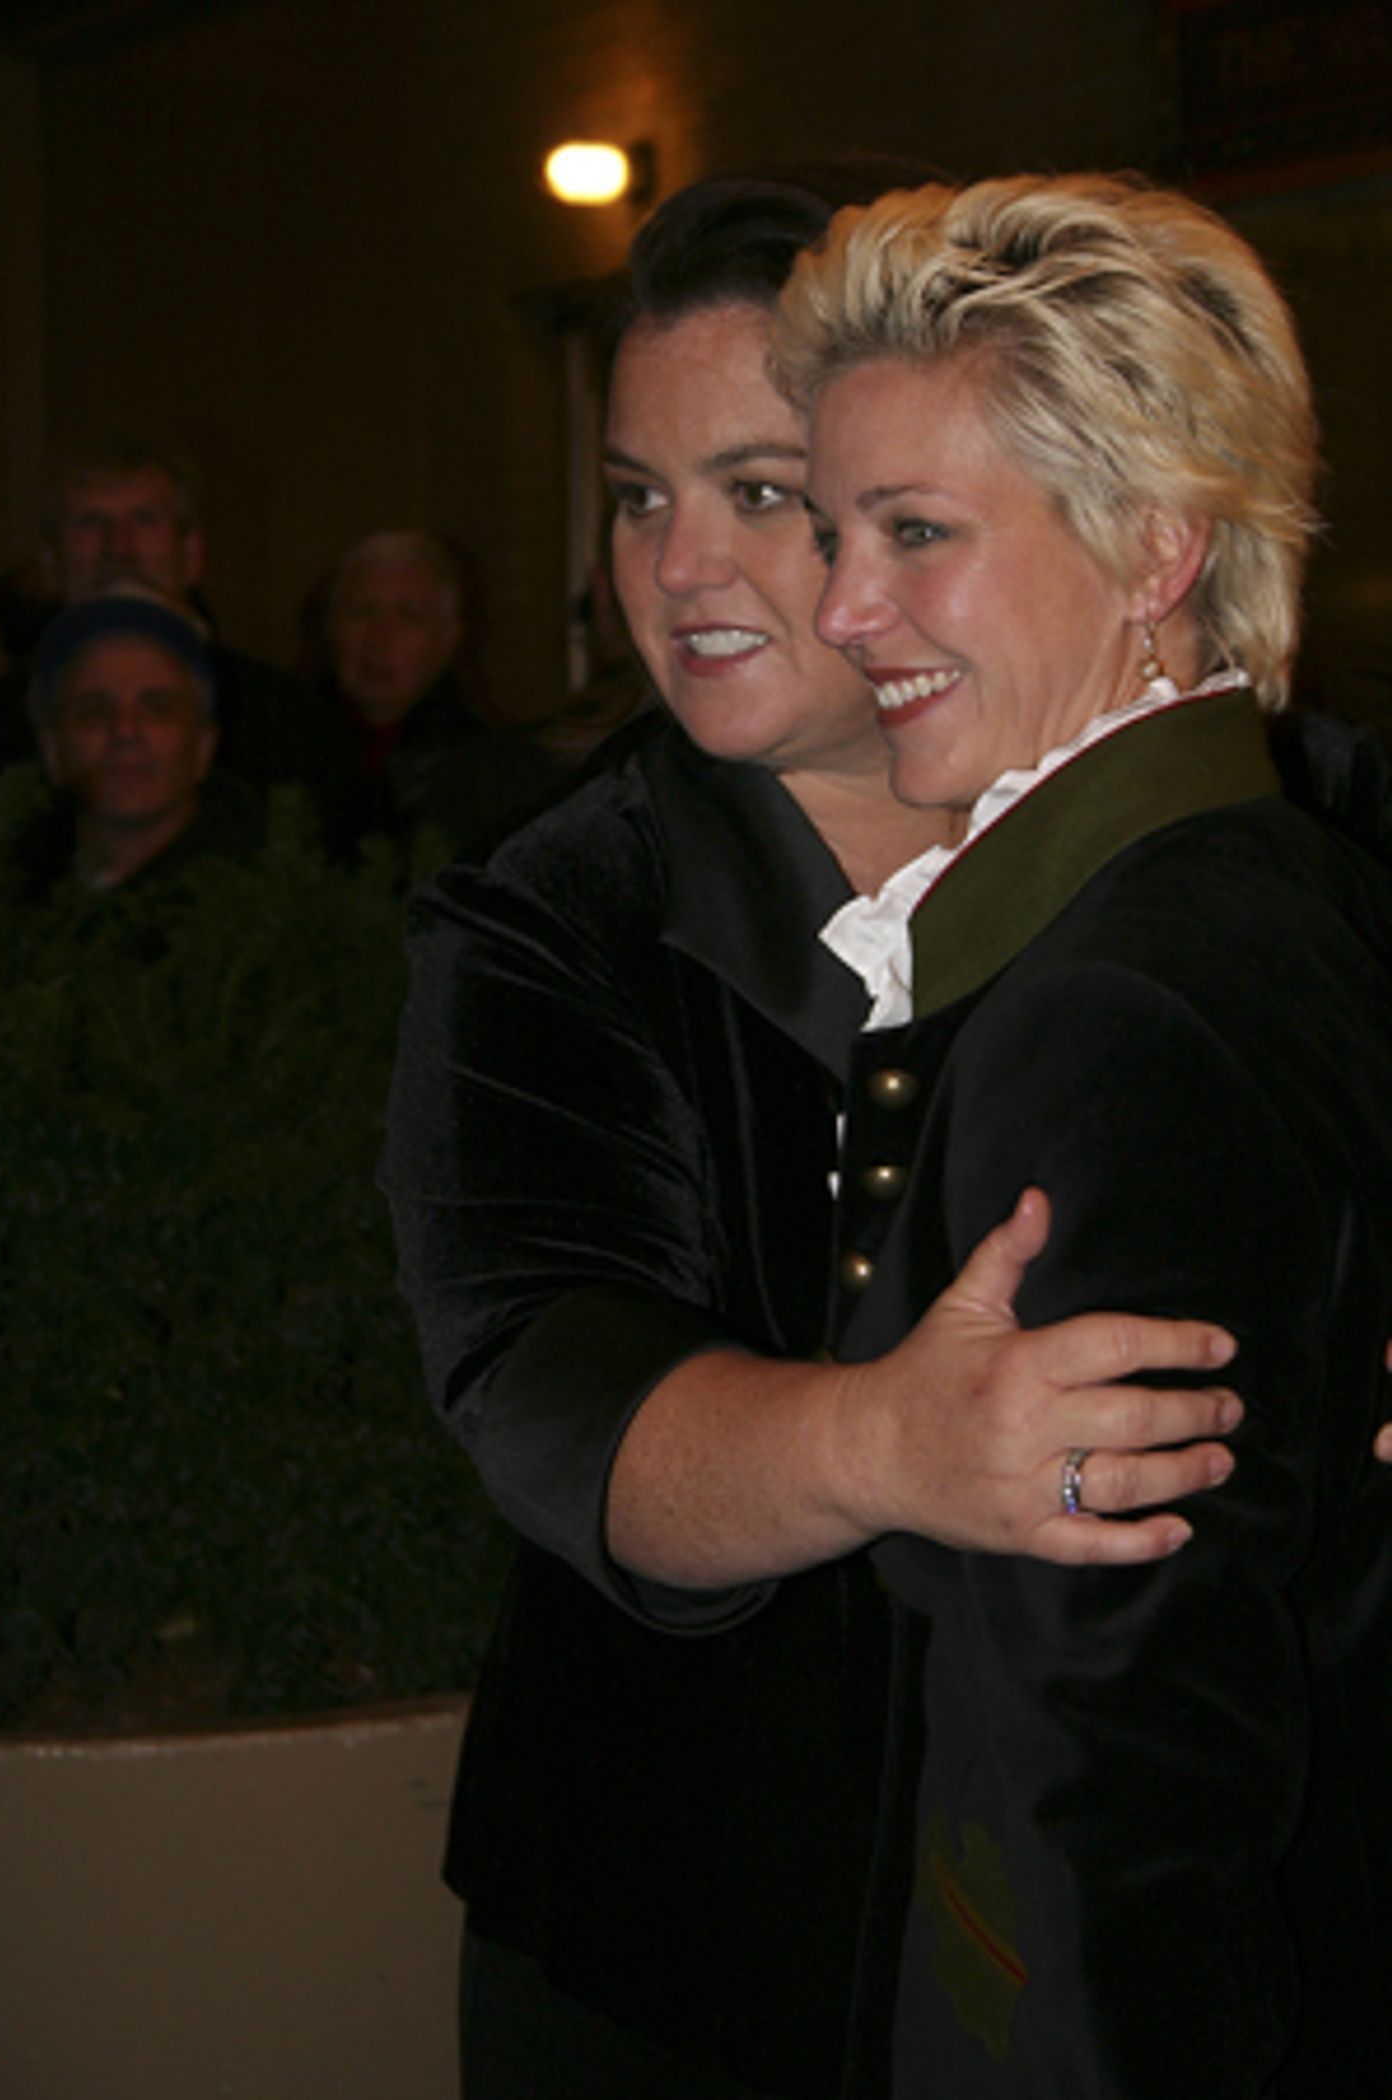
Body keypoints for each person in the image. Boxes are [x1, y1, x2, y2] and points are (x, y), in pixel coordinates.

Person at [383, 173, 1265, 2100]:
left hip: (1128, 1938)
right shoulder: (552, 920)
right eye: (638, 498)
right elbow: (554, 1391)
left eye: (764, 492)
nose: (680, 568)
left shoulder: (1241, 825)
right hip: (679, 1944)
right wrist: (888, 1441)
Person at [778, 170, 1392, 2096]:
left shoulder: (1109, 1010)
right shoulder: (1282, 882)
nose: (839, 608)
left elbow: (1122, 1766)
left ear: (1155, 549)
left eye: (916, 532)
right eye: (833, 531)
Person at [0, 442, 322, 792]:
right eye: (91, 523)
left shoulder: (285, 718)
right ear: (51, 562)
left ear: (191, 553)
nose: (119, 548)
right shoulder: (0, 724)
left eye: (145, 520)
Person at [309, 529, 560, 860]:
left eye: (408, 617)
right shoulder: (285, 745)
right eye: (362, 612)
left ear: (449, 638)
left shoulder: (491, 775)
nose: (378, 639)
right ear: (331, 626)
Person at [16, 584, 262, 896]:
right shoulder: (12, 898)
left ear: (204, 745)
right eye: (94, 711)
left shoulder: (276, 905)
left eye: (158, 709)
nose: (125, 730)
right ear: (52, 750)